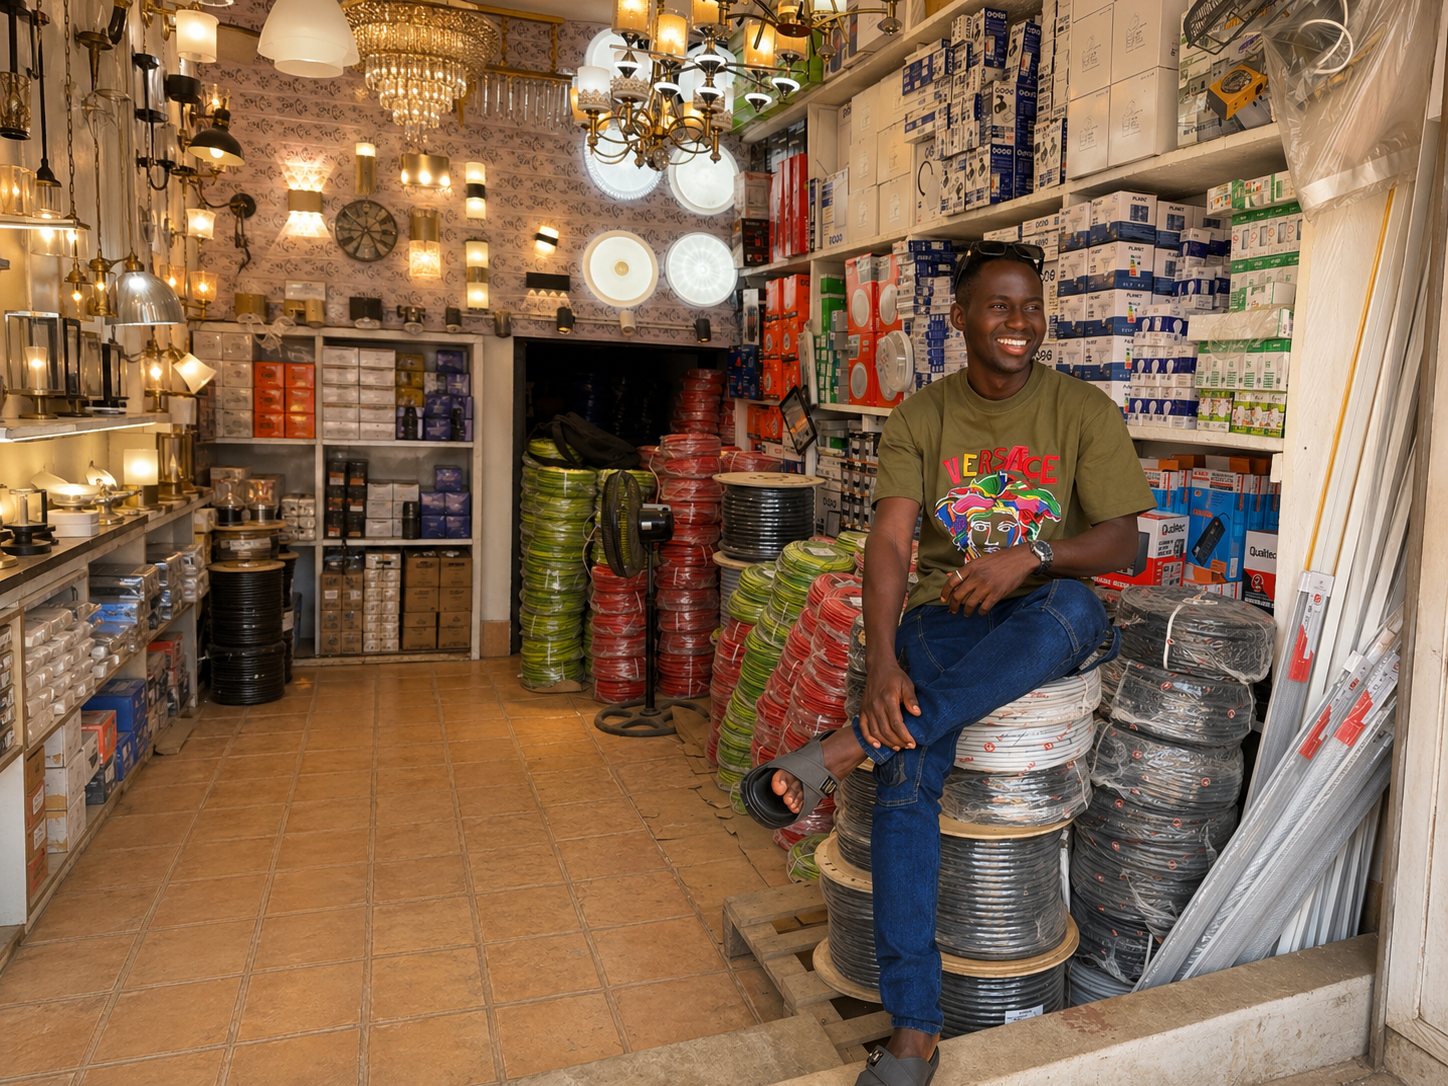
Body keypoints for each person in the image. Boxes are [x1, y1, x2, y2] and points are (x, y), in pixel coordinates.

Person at [741, 243, 1156, 1086]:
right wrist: (886, 659)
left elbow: (1125, 544)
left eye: (1031, 306)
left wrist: (1029, 556)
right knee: (911, 774)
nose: (1019, 323)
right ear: (960, 316)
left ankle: (844, 747)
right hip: (945, 619)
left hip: (1044, 609)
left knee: (1079, 607)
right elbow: (891, 541)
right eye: (999, 307)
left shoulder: (1082, 409)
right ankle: (915, 1029)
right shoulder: (921, 417)